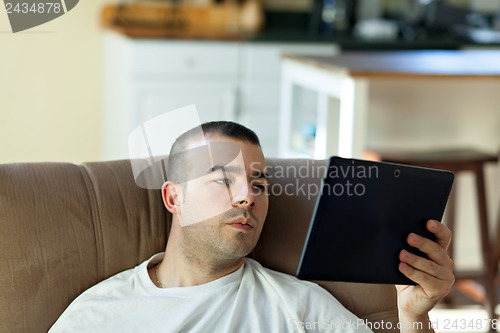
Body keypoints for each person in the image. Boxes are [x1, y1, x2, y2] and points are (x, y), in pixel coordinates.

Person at [49, 121, 455, 333]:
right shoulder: (100, 313)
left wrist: (413, 316)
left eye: (258, 183)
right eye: (223, 179)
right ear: (174, 198)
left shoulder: (300, 307)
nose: (248, 197)